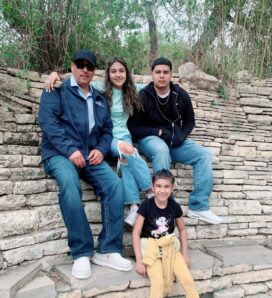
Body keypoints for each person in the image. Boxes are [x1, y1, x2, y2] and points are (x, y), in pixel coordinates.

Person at [39, 49, 132, 280]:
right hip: (60, 154)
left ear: (94, 71)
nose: (84, 70)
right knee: (70, 184)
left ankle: (108, 249)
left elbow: (107, 130)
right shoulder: (57, 90)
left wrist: (101, 149)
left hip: (89, 156)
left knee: (114, 185)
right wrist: (70, 151)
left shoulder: (99, 98)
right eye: (80, 65)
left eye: (89, 66)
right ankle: (81, 252)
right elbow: (48, 123)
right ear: (72, 67)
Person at [45, 57, 153, 228]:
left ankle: (134, 206)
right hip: (108, 137)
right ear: (108, 74)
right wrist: (54, 74)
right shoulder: (99, 87)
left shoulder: (134, 89)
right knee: (127, 151)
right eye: (113, 71)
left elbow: (155, 85)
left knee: (125, 159)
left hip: (124, 135)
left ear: (127, 73)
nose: (118, 75)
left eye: (121, 71)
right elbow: (77, 79)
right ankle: (150, 192)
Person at [127, 57, 222, 225]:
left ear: (171, 74)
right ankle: (162, 207)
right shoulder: (143, 96)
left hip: (174, 141)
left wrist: (181, 136)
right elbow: (133, 127)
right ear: (152, 74)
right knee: (161, 149)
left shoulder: (180, 94)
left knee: (204, 155)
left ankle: (199, 206)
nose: (161, 76)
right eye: (158, 72)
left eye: (165, 72)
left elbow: (190, 121)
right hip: (150, 140)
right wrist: (157, 131)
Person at [132, 169, 199, 298]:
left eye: (166, 186)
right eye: (158, 186)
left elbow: (182, 229)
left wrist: (184, 254)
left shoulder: (174, 206)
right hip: (152, 249)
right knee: (158, 283)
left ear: (172, 188)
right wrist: (139, 261)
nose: (162, 190)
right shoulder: (146, 205)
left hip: (170, 248)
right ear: (152, 187)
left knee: (187, 279)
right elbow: (136, 231)